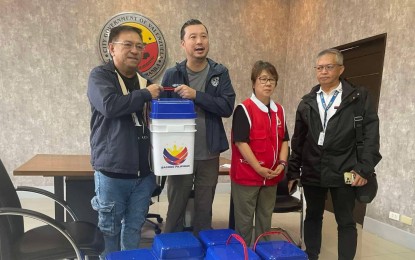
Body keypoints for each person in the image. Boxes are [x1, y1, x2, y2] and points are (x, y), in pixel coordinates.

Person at [287, 49, 381, 260]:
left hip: (345, 169)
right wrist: (293, 171)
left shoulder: (358, 97)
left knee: (346, 221)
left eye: (329, 67)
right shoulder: (307, 101)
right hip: (313, 169)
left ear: (341, 69)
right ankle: (311, 255)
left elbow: (371, 135)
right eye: (319, 68)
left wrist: (364, 168)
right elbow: (298, 140)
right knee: (312, 216)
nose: (323, 72)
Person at [87, 25, 163, 258]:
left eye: (140, 46)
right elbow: (111, 106)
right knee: (110, 230)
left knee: (133, 228)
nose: (135, 50)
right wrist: (146, 95)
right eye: (127, 45)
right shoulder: (100, 76)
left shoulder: (144, 82)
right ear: (112, 48)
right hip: (112, 171)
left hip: (143, 172)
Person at [161, 19, 236, 235]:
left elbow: (226, 106)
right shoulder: (172, 74)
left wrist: (197, 96)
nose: (199, 41)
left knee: (204, 209)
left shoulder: (219, 72)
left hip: (209, 152)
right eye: (192, 37)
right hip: (177, 153)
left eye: (203, 36)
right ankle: (172, 248)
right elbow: (163, 114)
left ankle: (202, 248)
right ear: (183, 43)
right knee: (176, 206)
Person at [230, 60, 289, 245]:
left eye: (272, 79)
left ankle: (263, 252)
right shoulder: (244, 109)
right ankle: (245, 254)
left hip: (271, 176)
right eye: (263, 79)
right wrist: (258, 168)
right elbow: (241, 143)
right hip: (247, 176)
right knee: (245, 222)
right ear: (254, 82)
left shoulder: (279, 110)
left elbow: (284, 140)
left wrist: (282, 164)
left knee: (265, 220)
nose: (268, 83)